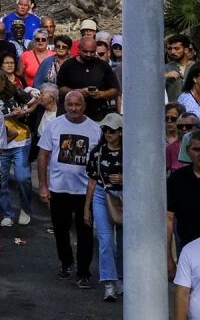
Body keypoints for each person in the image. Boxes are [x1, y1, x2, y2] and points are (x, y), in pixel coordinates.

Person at [36, 86, 100, 283]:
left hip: (84, 192)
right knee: (61, 231)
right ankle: (65, 262)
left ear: (84, 106)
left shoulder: (95, 129)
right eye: (70, 105)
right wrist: (43, 186)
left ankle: (83, 272)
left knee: (85, 233)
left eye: (77, 104)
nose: (73, 108)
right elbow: (43, 156)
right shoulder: (54, 126)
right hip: (58, 189)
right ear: (64, 106)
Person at [85, 111, 124, 302]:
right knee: (106, 240)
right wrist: (87, 208)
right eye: (105, 129)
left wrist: (125, 178)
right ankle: (109, 281)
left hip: (125, 198)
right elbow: (92, 181)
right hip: (102, 194)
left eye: (113, 130)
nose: (108, 133)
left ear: (121, 132)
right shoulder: (97, 152)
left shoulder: (130, 151)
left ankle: (121, 278)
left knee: (125, 242)